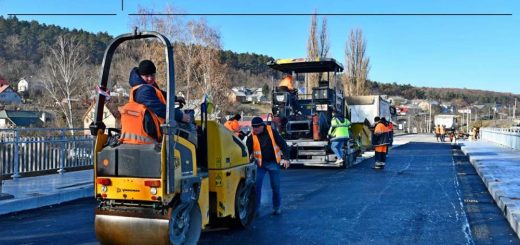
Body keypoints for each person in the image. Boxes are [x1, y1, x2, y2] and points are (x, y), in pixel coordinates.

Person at [120, 60, 190, 144]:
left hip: (147, 129)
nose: (150, 78)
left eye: (152, 75)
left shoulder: (145, 85)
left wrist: (175, 98)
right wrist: (181, 116)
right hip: (147, 134)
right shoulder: (143, 91)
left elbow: (159, 93)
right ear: (141, 75)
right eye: (146, 76)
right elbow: (160, 109)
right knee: (189, 133)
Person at [246, 117, 290, 215]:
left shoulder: (271, 132)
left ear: (262, 126)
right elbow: (246, 151)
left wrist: (286, 158)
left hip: (273, 163)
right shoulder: (251, 137)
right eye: (253, 127)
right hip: (259, 164)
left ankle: (276, 207)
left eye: (257, 126)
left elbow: (283, 144)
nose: (255, 129)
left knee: (275, 187)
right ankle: (255, 209)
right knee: (256, 187)